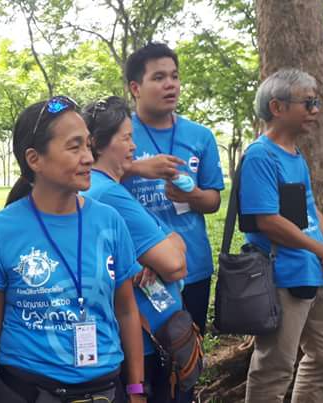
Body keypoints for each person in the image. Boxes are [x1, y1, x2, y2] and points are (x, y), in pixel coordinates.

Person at [0, 96, 148, 402]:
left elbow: (126, 310)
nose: (88, 157)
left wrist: (136, 389)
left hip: (104, 389)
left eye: (88, 145)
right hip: (28, 391)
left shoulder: (109, 221)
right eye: (74, 147)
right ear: (35, 159)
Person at [241, 68, 323, 403]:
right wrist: (319, 250)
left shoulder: (295, 154)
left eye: (317, 103)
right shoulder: (260, 155)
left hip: (314, 271)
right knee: (274, 369)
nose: (315, 110)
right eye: (308, 103)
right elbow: (267, 220)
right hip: (284, 276)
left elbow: (309, 206)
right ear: (277, 107)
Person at [81, 96, 189, 402]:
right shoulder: (110, 195)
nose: (133, 146)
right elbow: (175, 264)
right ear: (98, 144)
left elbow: (174, 244)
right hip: (146, 344)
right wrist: (165, 249)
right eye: (126, 138)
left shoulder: (97, 189)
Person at [121, 43, 224, 338]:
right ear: (135, 88)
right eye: (158, 77)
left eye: (174, 76)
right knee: (144, 353)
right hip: (138, 269)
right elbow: (95, 180)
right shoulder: (120, 134)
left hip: (193, 266)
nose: (170, 84)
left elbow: (213, 200)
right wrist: (137, 168)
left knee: (189, 349)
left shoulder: (200, 136)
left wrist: (193, 196)